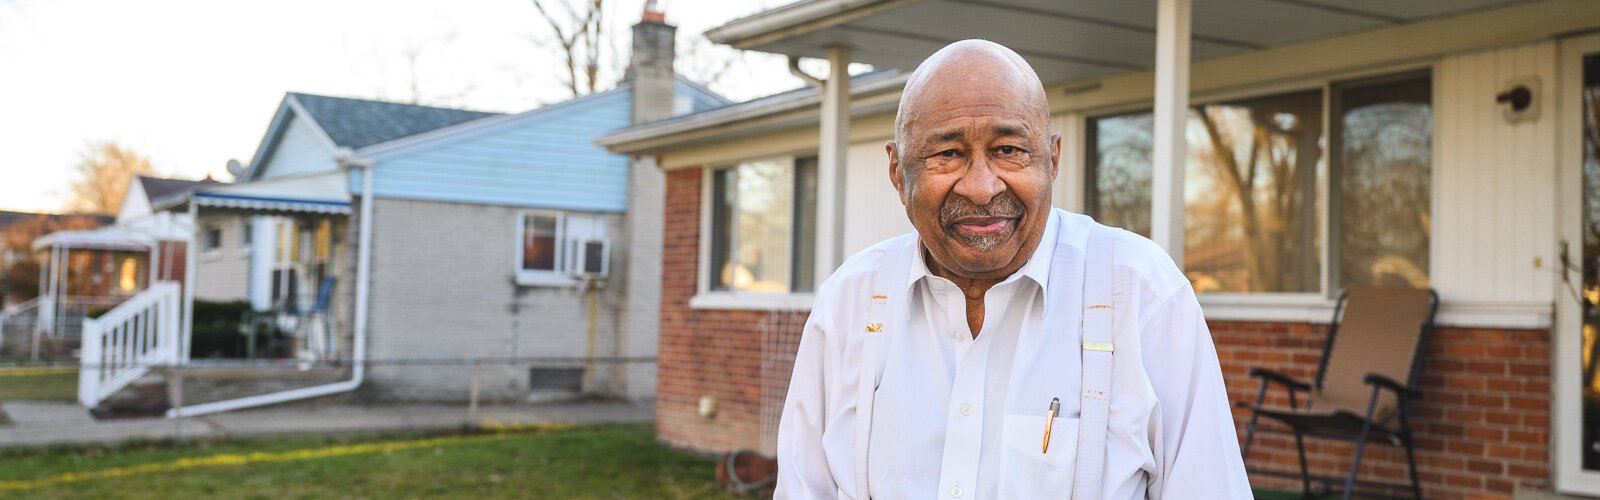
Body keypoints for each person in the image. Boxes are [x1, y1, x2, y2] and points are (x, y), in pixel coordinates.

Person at [774, 40, 1251, 499]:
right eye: (949, 153)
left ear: (1052, 158)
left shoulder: (1140, 292)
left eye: (1008, 150)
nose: (982, 188)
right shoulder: (850, 301)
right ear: (899, 174)